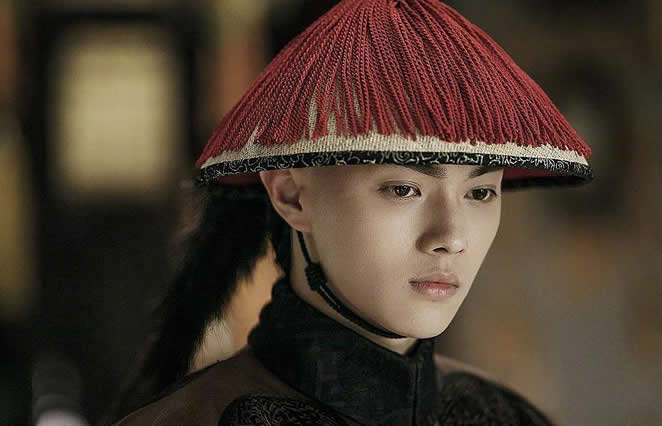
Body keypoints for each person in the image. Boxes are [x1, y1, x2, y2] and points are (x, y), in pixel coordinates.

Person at [112, 0, 593, 424]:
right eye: (404, 189)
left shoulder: (510, 417)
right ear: (291, 195)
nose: (451, 237)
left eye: (481, 193)